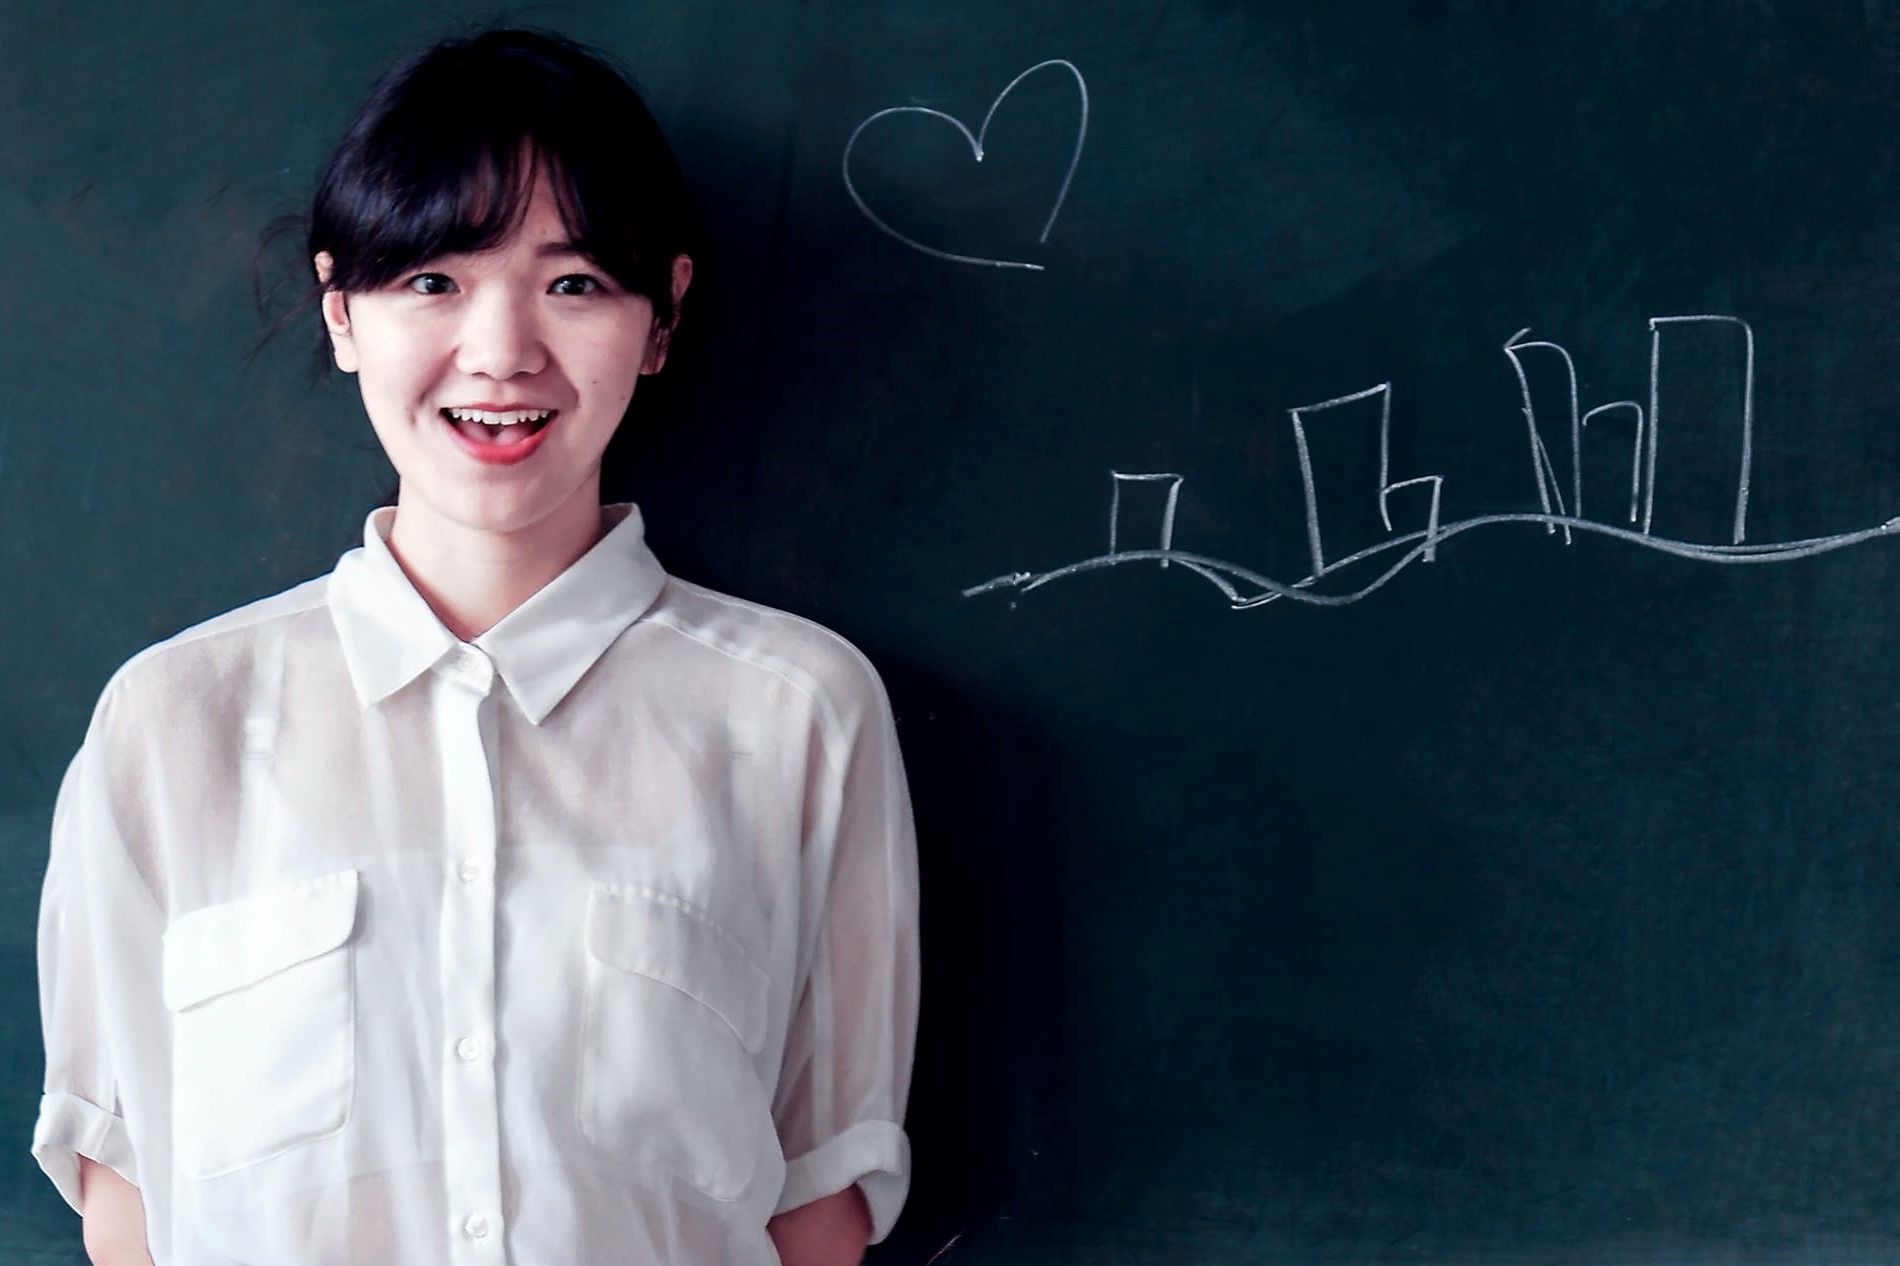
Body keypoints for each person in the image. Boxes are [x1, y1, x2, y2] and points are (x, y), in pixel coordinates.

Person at [31, 24, 920, 1266]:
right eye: (432, 281)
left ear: (661, 318)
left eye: (572, 284)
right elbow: (123, 1190)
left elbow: (817, 1204)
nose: (500, 353)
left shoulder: (796, 716)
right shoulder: (174, 722)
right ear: (343, 313)